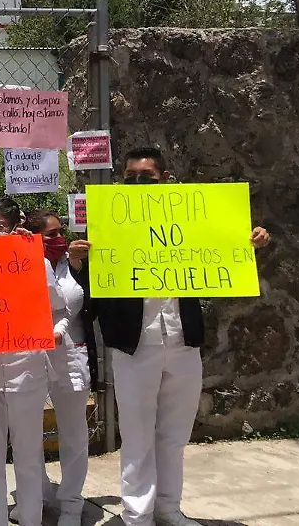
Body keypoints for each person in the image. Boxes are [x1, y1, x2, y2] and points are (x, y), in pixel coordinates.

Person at [73, 147, 271, 526]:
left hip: (182, 342)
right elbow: (89, 294)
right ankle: (136, 515)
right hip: (134, 346)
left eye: (145, 176)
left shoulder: (192, 218)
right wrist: (81, 262)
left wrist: (251, 243)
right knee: (137, 436)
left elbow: (223, 251)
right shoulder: (107, 225)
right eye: (130, 177)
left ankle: (167, 508)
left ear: (165, 179)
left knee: (175, 434)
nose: (137, 183)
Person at [0, 197, 54, 526]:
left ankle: (31, 518)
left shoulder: (36, 261)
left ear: (15, 227)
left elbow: (56, 306)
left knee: (28, 454)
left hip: (25, 371)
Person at [23, 209, 97, 526]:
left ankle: (71, 504)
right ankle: (36, 497)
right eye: (50, 234)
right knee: (26, 431)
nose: (59, 239)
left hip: (71, 354)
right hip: (30, 354)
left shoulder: (74, 263)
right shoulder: (20, 262)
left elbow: (92, 309)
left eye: (60, 232)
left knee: (74, 434)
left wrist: (80, 268)